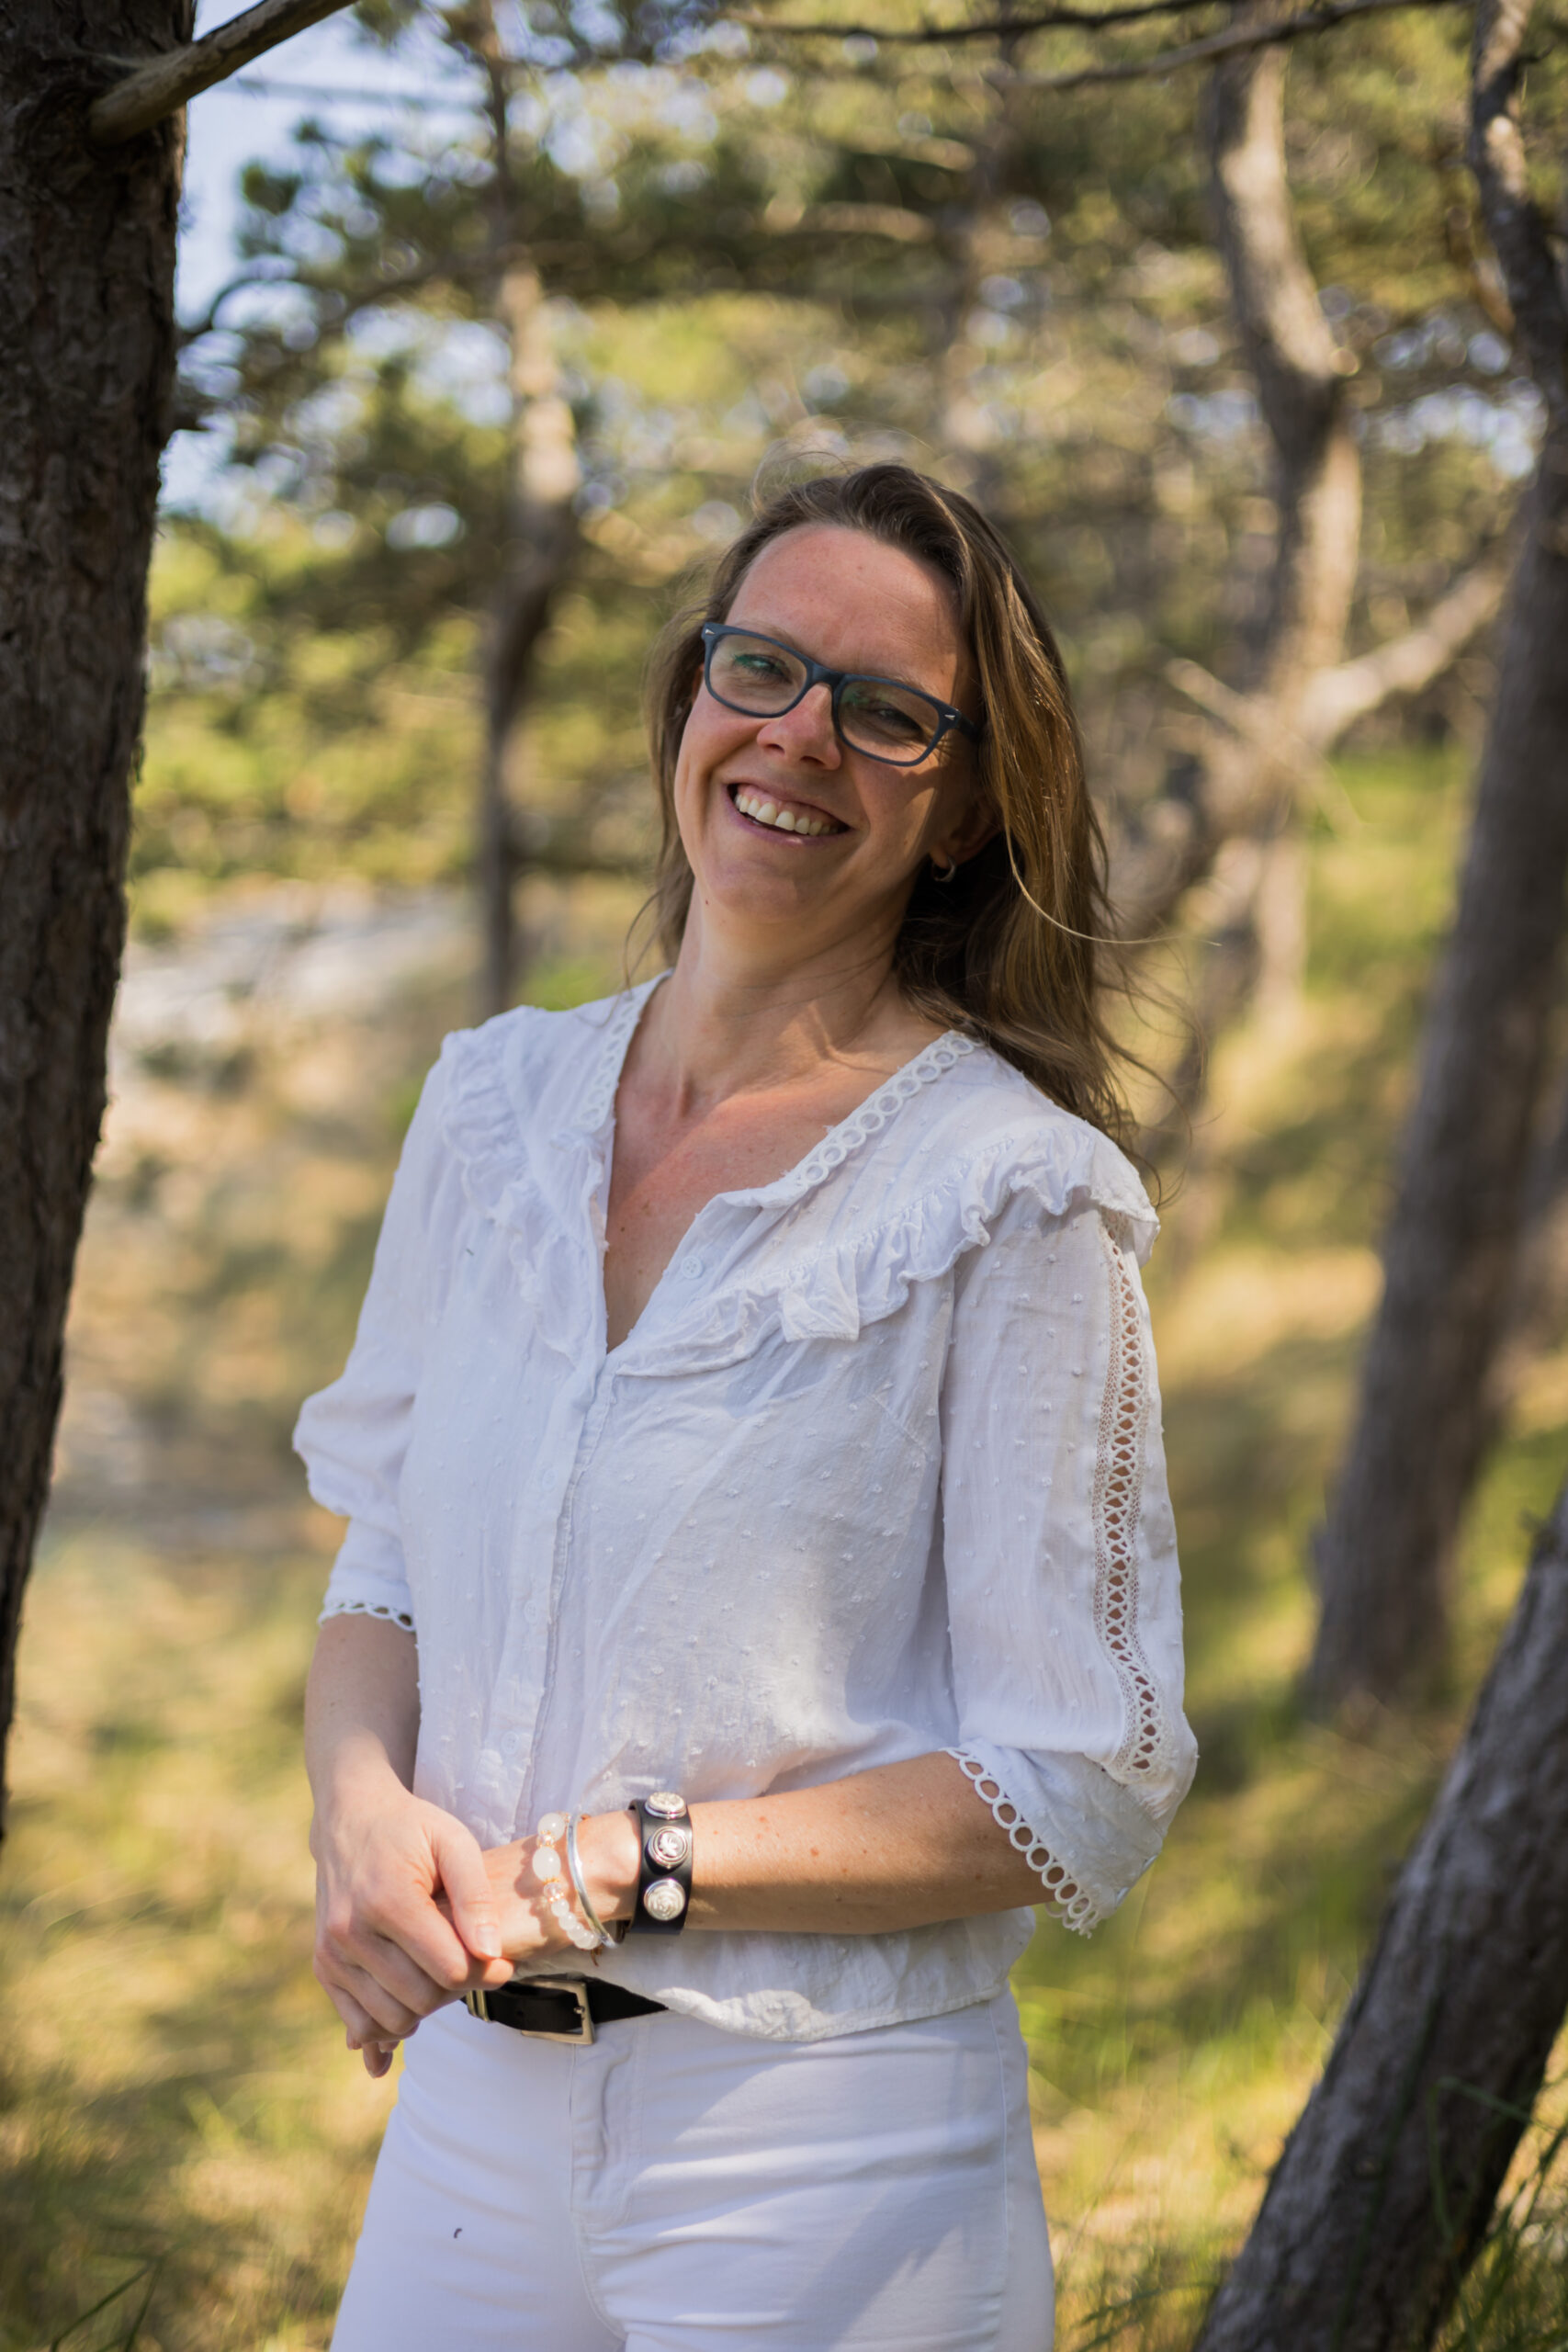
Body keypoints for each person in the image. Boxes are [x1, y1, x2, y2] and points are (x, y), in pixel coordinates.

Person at [296, 460, 1197, 2350]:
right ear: (690, 696)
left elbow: (1083, 1773)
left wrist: (651, 1858)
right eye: (763, 666)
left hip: (826, 2147)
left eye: (885, 714)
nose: (802, 738)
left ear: (957, 807)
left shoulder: (1009, 1198)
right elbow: (388, 1552)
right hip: (463, 2114)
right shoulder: (488, 1108)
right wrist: (361, 1808)